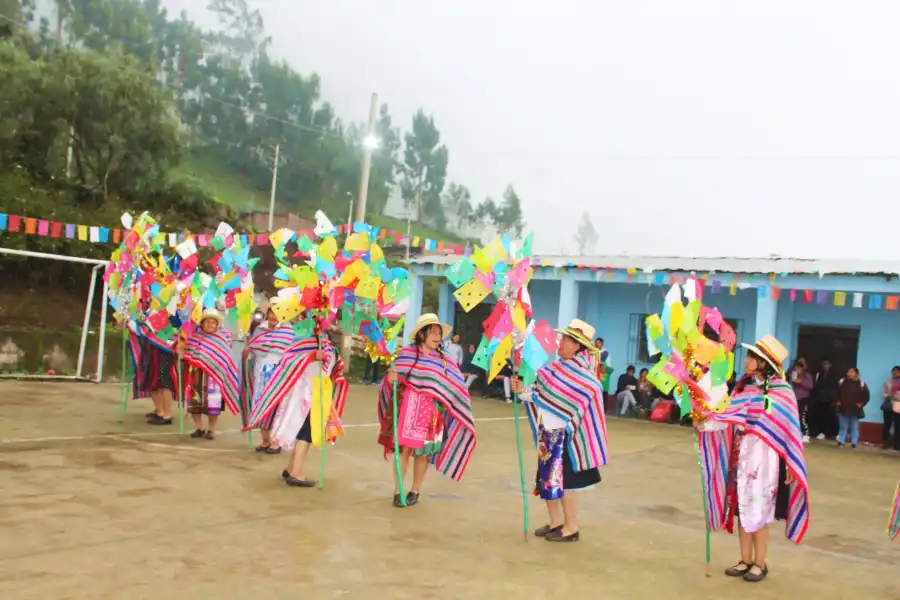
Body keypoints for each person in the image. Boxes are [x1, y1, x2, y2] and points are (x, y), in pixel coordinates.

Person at [695, 335, 809, 583]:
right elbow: (727, 414)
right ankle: (744, 559)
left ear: (764, 363)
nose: (747, 360)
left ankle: (760, 563)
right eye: (748, 356)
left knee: (760, 509)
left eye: (752, 357)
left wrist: (790, 460)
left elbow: (789, 430)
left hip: (766, 459)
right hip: (742, 453)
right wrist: (703, 421)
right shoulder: (744, 387)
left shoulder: (782, 392)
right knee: (741, 508)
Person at [511, 318, 608, 543]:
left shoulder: (586, 378)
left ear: (577, 345)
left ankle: (571, 527)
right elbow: (536, 388)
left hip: (570, 438)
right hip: (549, 433)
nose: (560, 342)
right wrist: (522, 389)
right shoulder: (555, 369)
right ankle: (555, 522)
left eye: (565, 339)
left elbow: (567, 402)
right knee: (547, 479)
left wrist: (534, 394)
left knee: (570, 484)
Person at [380, 313, 476, 508]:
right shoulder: (407, 354)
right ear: (422, 334)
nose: (437, 336)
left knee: (424, 453)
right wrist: (392, 380)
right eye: (432, 332)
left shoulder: (445, 360)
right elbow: (395, 378)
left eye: (439, 333)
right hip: (409, 408)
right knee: (404, 449)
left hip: (433, 412)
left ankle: (415, 490)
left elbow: (456, 385)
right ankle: (398, 490)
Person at [245, 318, 347, 487]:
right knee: (305, 433)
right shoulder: (304, 341)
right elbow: (288, 361)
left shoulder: (326, 341)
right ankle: (296, 473)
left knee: (305, 432)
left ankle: (290, 468)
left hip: (319, 390)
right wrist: (312, 357)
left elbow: (331, 365)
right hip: (306, 393)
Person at [242, 303, 295, 453]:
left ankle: (276, 441)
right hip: (260, 373)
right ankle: (265, 440)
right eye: (271, 312)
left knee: (276, 406)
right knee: (259, 404)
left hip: (279, 374)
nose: (273, 316)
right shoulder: (259, 329)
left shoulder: (290, 331)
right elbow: (255, 348)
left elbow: (292, 353)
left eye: (277, 313)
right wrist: (249, 352)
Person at [182, 310, 241, 440]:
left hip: (213, 378)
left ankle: (211, 430)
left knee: (213, 404)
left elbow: (226, 359)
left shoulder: (221, 340)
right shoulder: (194, 338)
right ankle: (199, 428)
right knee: (195, 403)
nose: (210, 324)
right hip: (196, 375)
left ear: (217, 325)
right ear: (202, 323)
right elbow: (187, 354)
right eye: (207, 321)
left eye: (213, 322)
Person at [836, 367, 869, 449]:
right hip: (843, 407)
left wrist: (861, 403)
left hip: (855, 409)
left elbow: (866, 396)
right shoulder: (842, 382)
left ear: (856, 374)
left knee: (854, 426)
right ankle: (841, 442)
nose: (849, 373)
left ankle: (854, 443)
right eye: (848, 372)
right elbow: (836, 393)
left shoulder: (861, 383)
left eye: (852, 372)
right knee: (843, 426)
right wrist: (838, 401)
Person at [810, 358, 840, 440]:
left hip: (831, 399)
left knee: (832, 417)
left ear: (830, 365)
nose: (825, 366)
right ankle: (822, 432)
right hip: (821, 399)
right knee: (821, 416)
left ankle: (836, 433)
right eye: (824, 364)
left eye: (827, 364)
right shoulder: (819, 374)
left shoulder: (835, 375)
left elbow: (837, 387)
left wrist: (836, 399)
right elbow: (817, 386)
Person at [788, 358, 814, 444]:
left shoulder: (807, 376)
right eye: (796, 368)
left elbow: (810, 386)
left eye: (799, 368)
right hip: (793, 397)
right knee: (792, 416)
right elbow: (789, 383)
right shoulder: (792, 373)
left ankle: (806, 434)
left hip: (803, 398)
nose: (797, 369)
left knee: (802, 417)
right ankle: (795, 434)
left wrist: (801, 381)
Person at [881, 366, 900, 451]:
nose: (895, 373)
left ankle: (897, 444)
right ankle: (886, 443)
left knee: (898, 425)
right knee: (887, 425)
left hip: (898, 405)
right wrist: (888, 396)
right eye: (893, 371)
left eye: (897, 371)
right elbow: (883, 393)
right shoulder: (887, 382)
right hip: (888, 405)